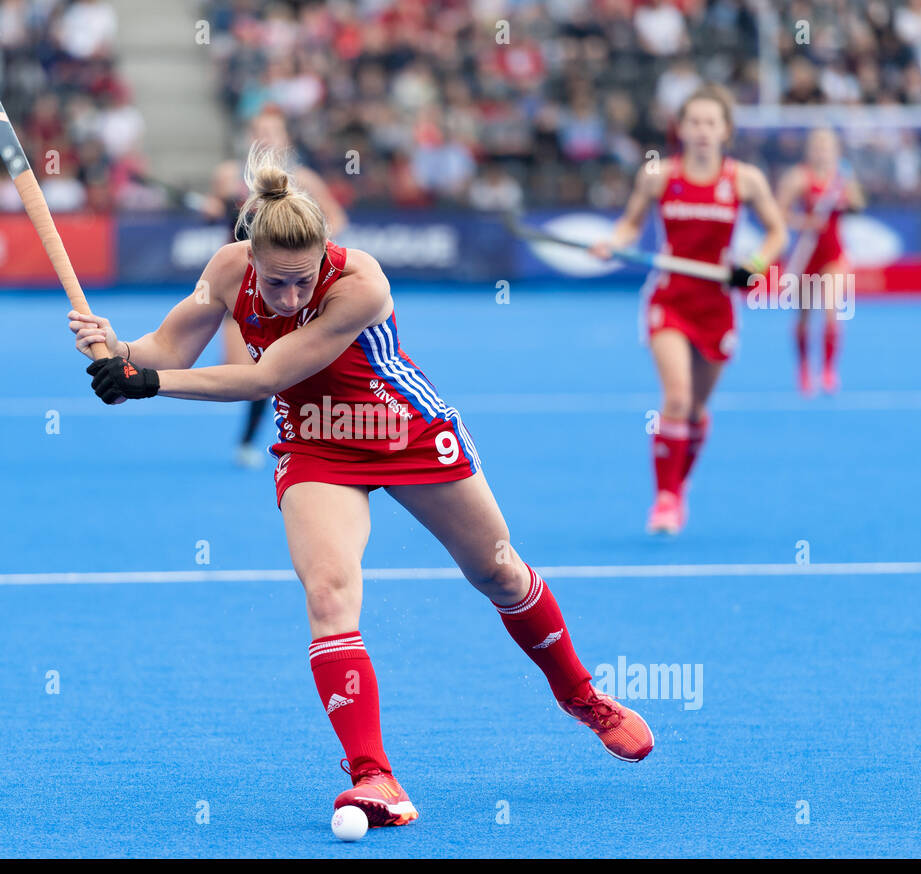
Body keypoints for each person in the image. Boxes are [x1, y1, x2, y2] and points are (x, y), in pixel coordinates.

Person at [69, 143, 654, 828]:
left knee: (499, 574)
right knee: (329, 592)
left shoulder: (361, 284)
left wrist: (147, 386)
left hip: (403, 430)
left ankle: (581, 694)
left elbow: (264, 377)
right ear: (248, 255)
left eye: (302, 280)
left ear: (325, 255)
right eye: (276, 283)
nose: (290, 296)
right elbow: (169, 349)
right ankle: (375, 777)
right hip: (316, 444)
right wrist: (119, 350)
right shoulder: (228, 270)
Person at [592, 84, 787, 535]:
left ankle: (679, 484)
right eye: (693, 122)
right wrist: (612, 244)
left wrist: (753, 265)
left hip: (717, 305)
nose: (701, 130)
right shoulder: (659, 176)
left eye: (710, 123)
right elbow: (630, 223)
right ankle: (665, 500)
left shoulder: (745, 180)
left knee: (697, 409)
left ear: (726, 131)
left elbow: (777, 233)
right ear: (680, 128)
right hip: (670, 300)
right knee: (676, 398)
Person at [204, 107, 348, 468]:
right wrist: (212, 209)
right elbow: (216, 214)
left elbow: (336, 218)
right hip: (238, 284)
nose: (267, 137)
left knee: (269, 372)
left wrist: (309, 248)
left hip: (282, 288)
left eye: (274, 131)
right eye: (260, 131)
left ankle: (256, 440)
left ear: (286, 139)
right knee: (239, 367)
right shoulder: (227, 176)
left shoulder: (304, 180)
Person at [776, 129, 864, 396]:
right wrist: (805, 222)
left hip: (833, 254)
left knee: (831, 309)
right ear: (809, 149)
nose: (822, 151)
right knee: (803, 315)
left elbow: (859, 204)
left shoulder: (843, 178)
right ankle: (803, 367)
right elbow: (778, 213)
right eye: (817, 145)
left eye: (827, 146)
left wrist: (846, 199)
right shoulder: (799, 178)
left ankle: (828, 370)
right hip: (806, 255)